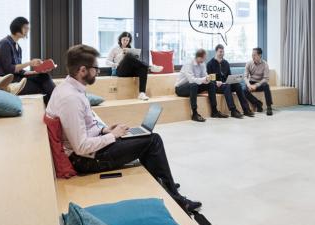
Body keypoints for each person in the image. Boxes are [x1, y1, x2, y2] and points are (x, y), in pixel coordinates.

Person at [46, 44, 201, 213]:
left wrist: (105, 131)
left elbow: (83, 129)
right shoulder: (71, 99)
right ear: (82, 70)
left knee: (143, 139)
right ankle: (176, 198)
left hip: (89, 151)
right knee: (153, 141)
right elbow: (81, 147)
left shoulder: (70, 88)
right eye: (95, 68)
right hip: (85, 160)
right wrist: (112, 136)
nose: (98, 72)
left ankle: (164, 181)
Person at [0, 16, 56, 103]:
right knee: (44, 86)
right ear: (17, 28)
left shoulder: (18, 48)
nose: (27, 30)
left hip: (16, 78)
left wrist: (36, 72)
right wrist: (30, 63)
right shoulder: (5, 44)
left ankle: (53, 106)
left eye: (28, 28)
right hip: (7, 81)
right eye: (25, 28)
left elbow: (20, 71)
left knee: (44, 76)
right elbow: (9, 69)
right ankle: (56, 104)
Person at [106, 31, 162, 101]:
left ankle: (142, 93)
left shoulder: (131, 49)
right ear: (120, 39)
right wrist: (115, 64)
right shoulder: (115, 49)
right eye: (124, 39)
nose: (125, 42)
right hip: (120, 70)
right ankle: (150, 67)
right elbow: (107, 61)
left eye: (127, 40)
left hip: (129, 70)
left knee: (143, 68)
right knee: (128, 56)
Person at [175, 48, 227, 122]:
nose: (205, 59)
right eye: (204, 58)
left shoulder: (202, 64)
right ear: (199, 57)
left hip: (194, 86)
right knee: (193, 85)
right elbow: (191, 80)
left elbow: (205, 76)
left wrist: (210, 80)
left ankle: (214, 111)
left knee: (211, 84)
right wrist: (204, 79)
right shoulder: (189, 64)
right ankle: (194, 114)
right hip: (180, 89)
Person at [206, 44, 253, 119]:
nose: (222, 53)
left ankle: (246, 109)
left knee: (238, 85)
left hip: (226, 84)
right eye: (220, 52)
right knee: (227, 86)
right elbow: (209, 79)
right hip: (216, 86)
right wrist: (216, 82)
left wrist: (233, 80)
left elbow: (229, 76)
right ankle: (233, 110)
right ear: (216, 52)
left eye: (223, 52)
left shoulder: (226, 63)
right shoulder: (210, 64)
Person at [244, 47, 273, 116]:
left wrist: (257, 85)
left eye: (254, 55)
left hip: (260, 83)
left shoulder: (265, 64)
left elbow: (266, 78)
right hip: (251, 82)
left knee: (266, 86)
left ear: (260, 55)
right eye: (252, 55)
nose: (252, 56)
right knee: (244, 90)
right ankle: (258, 104)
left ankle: (269, 107)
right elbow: (245, 76)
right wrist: (248, 85)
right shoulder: (249, 63)